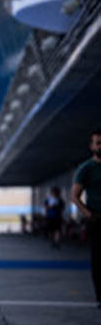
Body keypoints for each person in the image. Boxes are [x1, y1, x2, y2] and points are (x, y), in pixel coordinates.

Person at [70, 128, 101, 309]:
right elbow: (74, 195)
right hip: (96, 220)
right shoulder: (86, 168)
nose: (100, 145)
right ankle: (100, 296)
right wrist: (88, 214)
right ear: (91, 146)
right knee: (98, 259)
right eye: (97, 142)